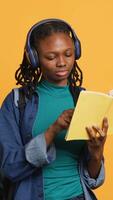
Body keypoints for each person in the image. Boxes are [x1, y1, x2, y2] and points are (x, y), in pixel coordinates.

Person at [0, 18, 108, 200]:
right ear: (34, 57)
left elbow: (93, 181)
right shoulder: (17, 102)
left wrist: (97, 153)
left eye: (68, 54)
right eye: (51, 57)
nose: (61, 62)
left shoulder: (84, 99)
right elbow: (9, 168)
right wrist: (53, 130)